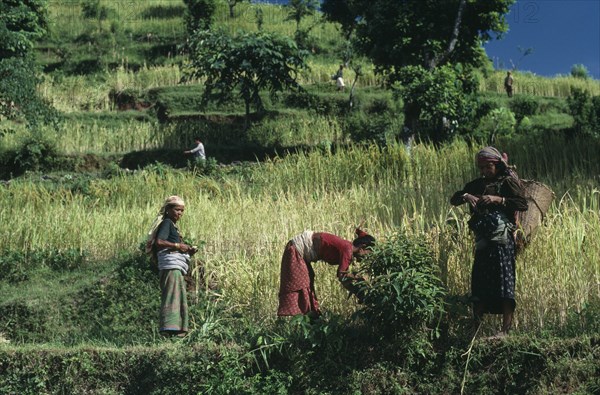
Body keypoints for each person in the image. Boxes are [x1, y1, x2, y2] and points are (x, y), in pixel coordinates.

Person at [450, 147, 527, 338]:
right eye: (481, 168)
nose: (484, 171)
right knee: (480, 282)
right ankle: (475, 329)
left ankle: (505, 330)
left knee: (504, 282)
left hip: (502, 241)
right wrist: (466, 196)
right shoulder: (476, 185)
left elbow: (522, 204)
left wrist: (498, 199)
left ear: (497, 164)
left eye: (488, 167)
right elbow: (454, 199)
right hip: (484, 240)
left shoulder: (507, 182)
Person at [277, 227, 375, 317]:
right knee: (303, 285)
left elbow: (344, 279)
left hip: (297, 251)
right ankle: (308, 323)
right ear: (362, 248)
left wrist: (358, 293)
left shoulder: (347, 250)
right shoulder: (347, 250)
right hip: (295, 250)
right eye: (368, 254)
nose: (367, 258)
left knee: (308, 284)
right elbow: (342, 275)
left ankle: (312, 322)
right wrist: (358, 278)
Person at [146, 195, 198, 337]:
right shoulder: (166, 223)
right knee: (172, 296)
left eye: (182, 211)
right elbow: (159, 242)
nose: (180, 213)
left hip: (175, 267)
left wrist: (187, 250)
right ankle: (169, 330)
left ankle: (178, 329)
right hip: (170, 267)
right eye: (177, 210)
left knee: (177, 295)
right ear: (168, 210)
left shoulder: (173, 226)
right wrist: (177, 245)